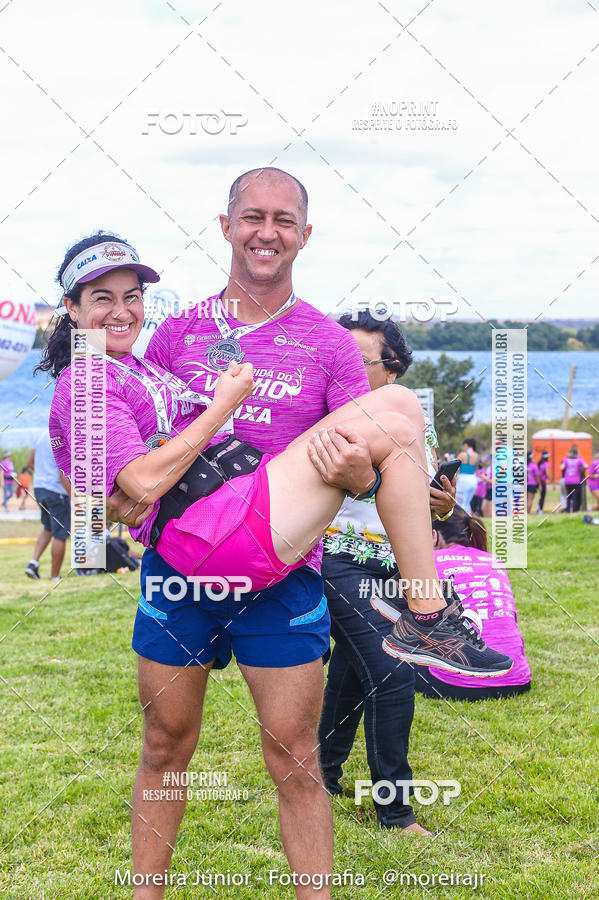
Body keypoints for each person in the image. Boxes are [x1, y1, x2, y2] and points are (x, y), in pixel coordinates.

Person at [43, 175, 509, 899]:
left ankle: (424, 615)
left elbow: (368, 473)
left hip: (277, 569)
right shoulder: (171, 336)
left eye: (283, 220)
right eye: (252, 218)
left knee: (296, 757)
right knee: (164, 746)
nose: (267, 232)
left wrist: (356, 469)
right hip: (186, 565)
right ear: (225, 226)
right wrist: (114, 494)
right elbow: (131, 477)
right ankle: (426, 614)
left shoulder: (327, 342)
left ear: (304, 234)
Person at [318, 310, 456, 834]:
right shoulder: (326, 412)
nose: (342, 368)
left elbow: (423, 502)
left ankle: (324, 773)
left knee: (354, 673)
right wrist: (373, 482)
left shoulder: (415, 416)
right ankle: (395, 812)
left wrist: (440, 506)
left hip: (398, 562)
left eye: (359, 359)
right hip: (336, 556)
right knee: (395, 667)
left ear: (393, 369)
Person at [414, 506, 531, 700]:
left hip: (454, 684)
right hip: (516, 679)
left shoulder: (429, 562)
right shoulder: (495, 561)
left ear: (434, 536)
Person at [24, 428, 70, 581]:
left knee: (48, 528)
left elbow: (30, 462)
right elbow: (62, 472)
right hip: (56, 492)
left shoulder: (42, 434)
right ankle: (54, 576)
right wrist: (74, 497)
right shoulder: (63, 436)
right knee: (60, 534)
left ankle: (33, 563)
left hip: (40, 488)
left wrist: (44, 475)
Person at [561, 444, 587, 513]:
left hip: (568, 481)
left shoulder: (566, 459)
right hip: (576, 481)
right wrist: (580, 469)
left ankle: (568, 510)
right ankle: (575, 510)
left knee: (569, 496)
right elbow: (586, 466)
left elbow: (561, 467)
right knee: (575, 496)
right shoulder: (579, 460)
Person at [456, 438, 479, 512]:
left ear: (466, 445)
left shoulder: (463, 454)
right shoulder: (476, 455)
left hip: (463, 479)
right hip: (473, 479)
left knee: (459, 501)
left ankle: (460, 519)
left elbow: (454, 466)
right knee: (467, 502)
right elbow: (476, 469)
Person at [536, 450, 550, 514]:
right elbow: (547, 474)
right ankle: (540, 510)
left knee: (540, 496)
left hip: (537, 482)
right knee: (543, 496)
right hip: (542, 482)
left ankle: (538, 508)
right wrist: (552, 481)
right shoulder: (546, 464)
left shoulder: (539, 463)